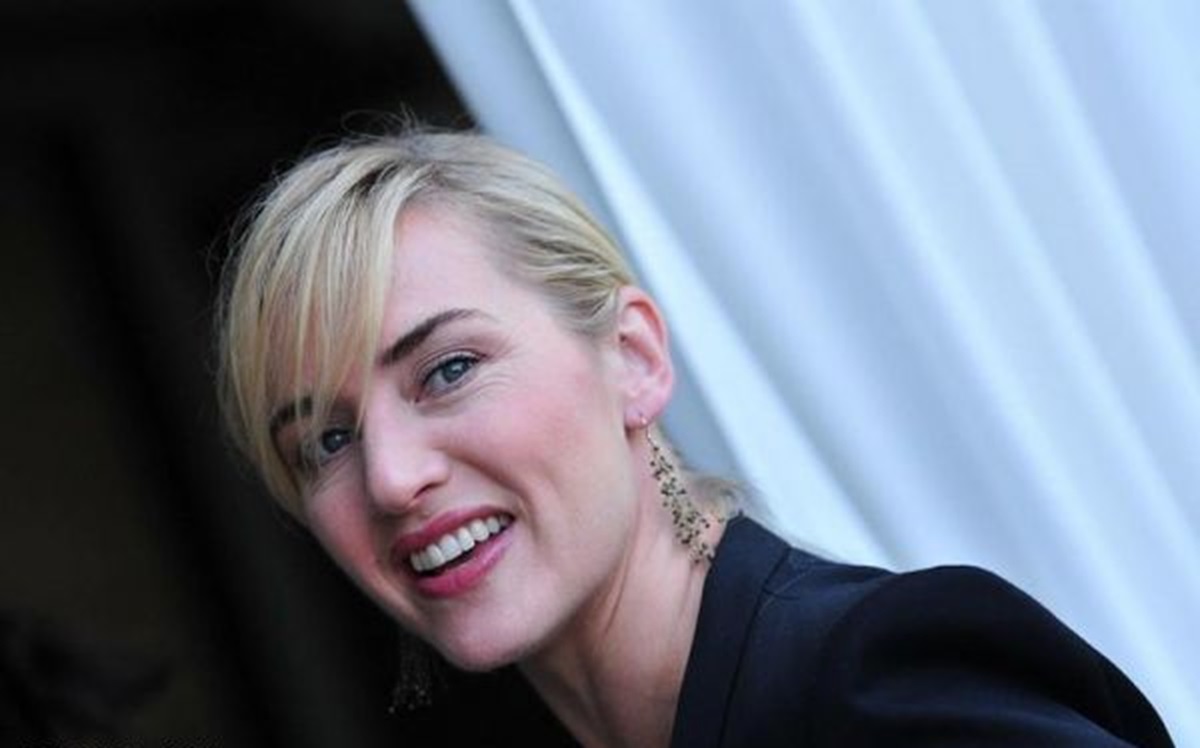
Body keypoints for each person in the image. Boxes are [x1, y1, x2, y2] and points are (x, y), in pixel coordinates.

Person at [214, 129, 1174, 747]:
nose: (390, 477)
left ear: (632, 359)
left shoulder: (876, 683)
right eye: (326, 442)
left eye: (449, 369)